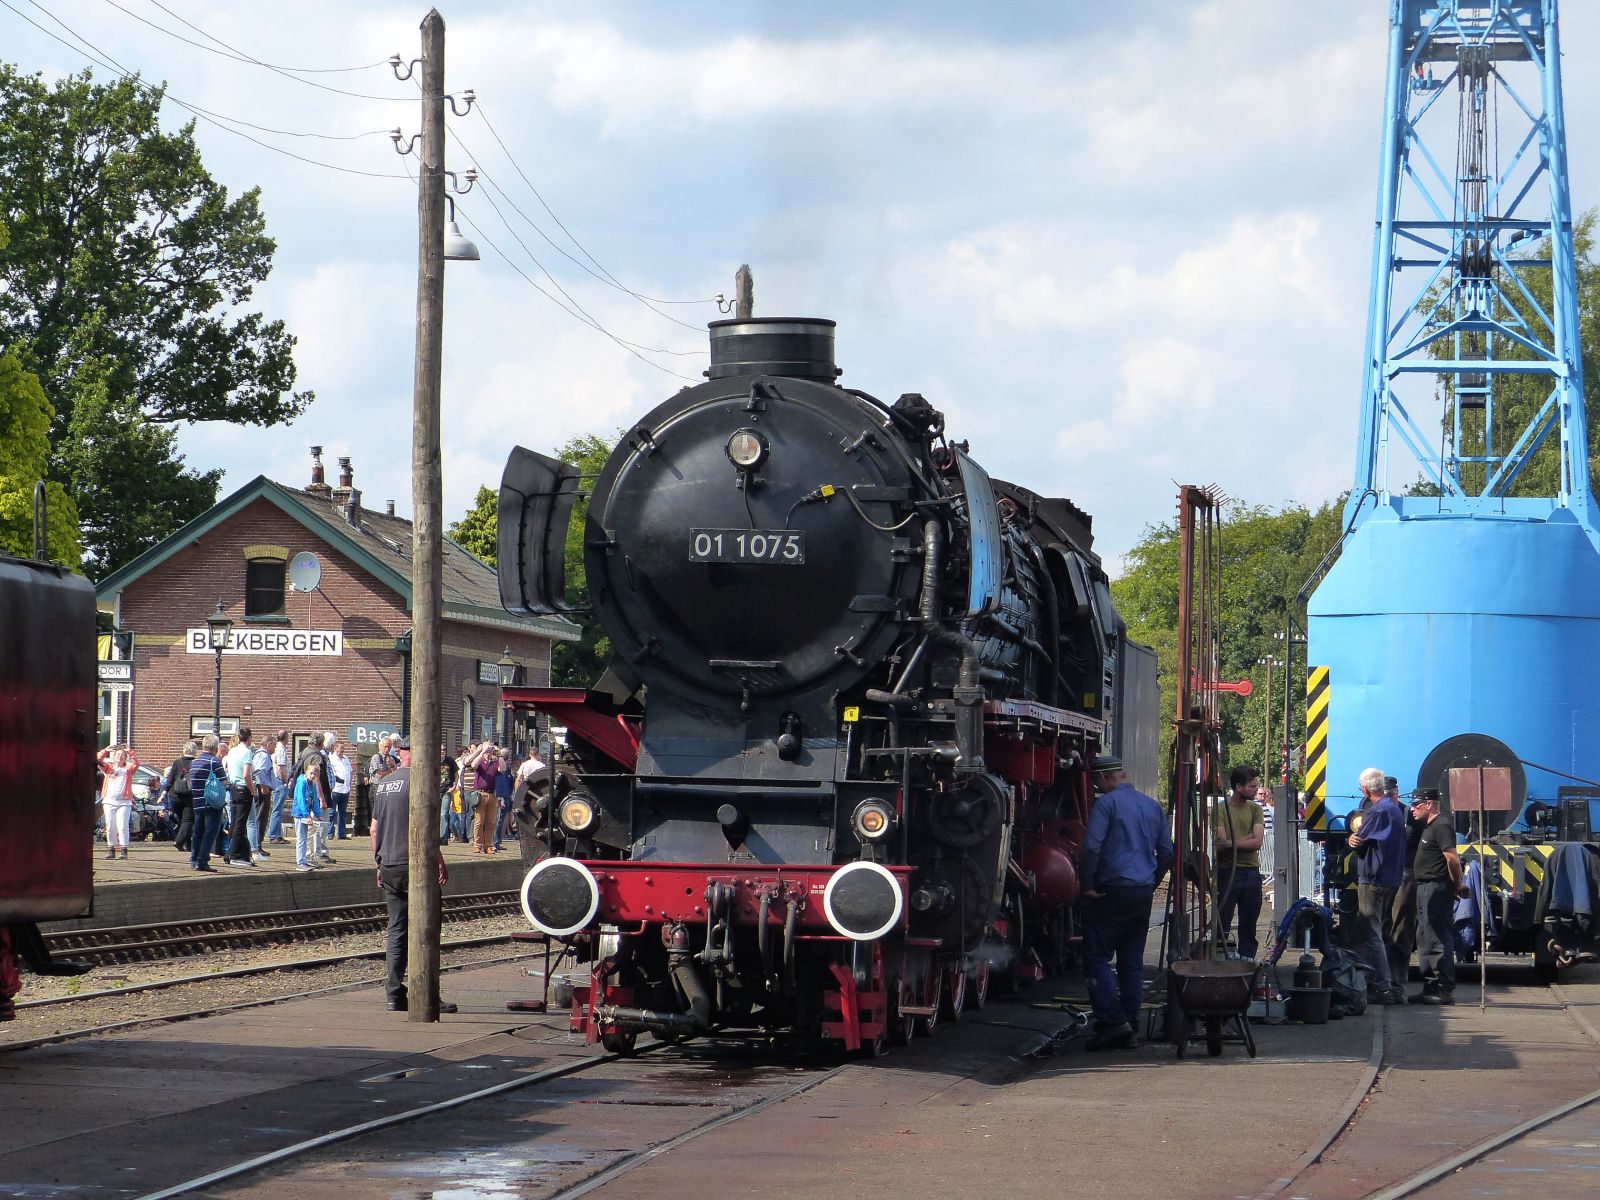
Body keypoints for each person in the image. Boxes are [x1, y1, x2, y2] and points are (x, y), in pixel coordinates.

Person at [1080, 753, 1173, 1050]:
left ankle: (1111, 1022)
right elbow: (1167, 852)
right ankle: (1130, 1026)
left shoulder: (1106, 804)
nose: (1097, 786)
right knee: (1131, 962)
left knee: (1096, 958)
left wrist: (1087, 885)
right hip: (1141, 891)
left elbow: (1092, 847)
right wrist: (1152, 882)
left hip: (1110, 891)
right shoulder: (1152, 806)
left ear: (1105, 777)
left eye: (1097, 781)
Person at [369, 759, 456, 1014]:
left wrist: (378, 863)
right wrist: (439, 859)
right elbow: (427, 827)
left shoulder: (384, 783)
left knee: (396, 929)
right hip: (415, 866)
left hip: (389, 863)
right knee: (426, 928)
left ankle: (394, 994)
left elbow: (374, 829)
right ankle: (426, 993)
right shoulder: (419, 781)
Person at [1347, 766, 1407, 1004]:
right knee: (1377, 930)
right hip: (1391, 877)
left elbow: (1359, 839)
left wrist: (1352, 839)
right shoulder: (1394, 810)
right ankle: (1376, 981)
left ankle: (1384, 986)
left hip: (1373, 878)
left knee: (1371, 933)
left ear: (1364, 789)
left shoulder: (1377, 811)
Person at [1410, 788, 1466, 1004]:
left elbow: (1452, 858)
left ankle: (1443, 988)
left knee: (1437, 937)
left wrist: (1457, 885)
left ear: (1430, 804)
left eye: (1417, 804)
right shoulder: (1429, 827)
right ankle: (1430, 986)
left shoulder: (1441, 825)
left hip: (1436, 887)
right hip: (1425, 887)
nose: (1413, 809)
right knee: (1425, 938)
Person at [1214, 766, 1266, 959]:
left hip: (1251, 871)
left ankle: (1247, 958)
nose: (1256, 789)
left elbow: (1257, 842)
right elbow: (1219, 845)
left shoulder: (1255, 808)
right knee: (1223, 919)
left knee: (1249, 920)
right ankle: (1220, 957)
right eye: (1252, 786)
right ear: (1238, 787)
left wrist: (1229, 843)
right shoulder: (1221, 810)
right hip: (1227, 870)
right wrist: (1246, 839)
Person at [187, 735, 227, 872]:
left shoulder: (194, 762)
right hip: (211, 801)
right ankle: (202, 861)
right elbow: (224, 782)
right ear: (216, 747)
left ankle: (193, 859)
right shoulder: (214, 762)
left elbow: (190, 782)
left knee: (197, 831)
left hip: (197, 801)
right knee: (210, 832)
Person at [95, 744, 141, 860]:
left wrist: (130, 751)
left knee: (122, 825)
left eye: (122, 755)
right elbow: (98, 760)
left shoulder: (128, 769)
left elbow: (137, 764)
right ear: (114, 757)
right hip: (109, 801)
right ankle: (111, 848)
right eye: (118, 755)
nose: (120, 757)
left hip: (124, 802)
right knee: (110, 826)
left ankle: (124, 849)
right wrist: (106, 750)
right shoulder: (108, 768)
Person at [223, 728, 256, 866]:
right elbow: (246, 774)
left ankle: (240, 853)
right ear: (249, 738)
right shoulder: (247, 752)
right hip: (243, 789)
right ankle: (233, 855)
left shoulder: (232, 751)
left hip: (233, 789)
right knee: (240, 824)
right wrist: (252, 789)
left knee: (235, 822)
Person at [463, 743, 501, 854]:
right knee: (479, 821)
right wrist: (482, 751)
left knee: (490, 822)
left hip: (492, 794)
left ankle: (488, 845)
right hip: (480, 794)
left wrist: (500, 755)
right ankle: (477, 844)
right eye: (487, 748)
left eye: (490, 748)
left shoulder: (494, 762)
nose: (488, 751)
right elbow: (473, 765)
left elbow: (502, 768)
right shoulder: (480, 762)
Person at [292, 757, 325, 872]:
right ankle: (300, 862)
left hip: (306, 815)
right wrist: (306, 815)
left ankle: (304, 861)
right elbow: (300, 799)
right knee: (301, 838)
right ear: (306, 772)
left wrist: (318, 814)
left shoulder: (313, 785)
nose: (313, 776)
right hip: (299, 814)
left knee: (305, 838)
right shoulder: (301, 783)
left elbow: (315, 800)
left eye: (315, 774)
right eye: (311, 773)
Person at [164, 741, 198, 853]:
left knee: (183, 821)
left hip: (175, 796)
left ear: (184, 750)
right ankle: (179, 841)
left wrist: (164, 792)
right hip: (189, 796)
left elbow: (170, 779)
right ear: (194, 751)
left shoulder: (177, 762)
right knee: (188, 821)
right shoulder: (196, 763)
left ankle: (189, 846)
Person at [250, 736, 277, 860]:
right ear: (269, 744)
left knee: (261, 816)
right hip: (262, 790)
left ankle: (257, 843)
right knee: (261, 817)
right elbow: (259, 771)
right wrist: (263, 786)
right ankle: (257, 845)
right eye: (274, 746)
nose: (275, 749)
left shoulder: (260, 755)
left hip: (263, 788)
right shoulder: (263, 756)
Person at [267, 729, 291, 844]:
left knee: (279, 809)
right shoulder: (280, 750)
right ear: (286, 738)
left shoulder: (278, 748)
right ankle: (273, 835)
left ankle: (277, 834)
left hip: (278, 781)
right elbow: (281, 768)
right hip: (280, 781)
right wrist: (286, 781)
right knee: (277, 809)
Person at [327, 741, 353, 840]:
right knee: (332, 812)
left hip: (345, 789)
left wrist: (349, 783)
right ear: (335, 748)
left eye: (343, 749)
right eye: (340, 748)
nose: (342, 751)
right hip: (335, 789)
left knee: (343, 813)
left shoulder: (346, 758)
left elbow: (350, 772)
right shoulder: (331, 759)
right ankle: (330, 833)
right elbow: (331, 774)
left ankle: (342, 834)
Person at [492, 751, 515, 851]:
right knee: (496, 821)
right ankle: (495, 842)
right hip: (500, 796)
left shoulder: (508, 769)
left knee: (500, 820)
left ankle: (497, 841)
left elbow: (510, 783)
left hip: (506, 796)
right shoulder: (496, 767)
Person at [438, 742, 459, 845]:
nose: (442, 752)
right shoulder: (432, 760)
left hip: (447, 790)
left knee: (444, 813)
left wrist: (454, 786)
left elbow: (456, 774)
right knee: (435, 814)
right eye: (440, 750)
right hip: (435, 791)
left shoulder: (450, 761)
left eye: (444, 750)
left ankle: (443, 837)